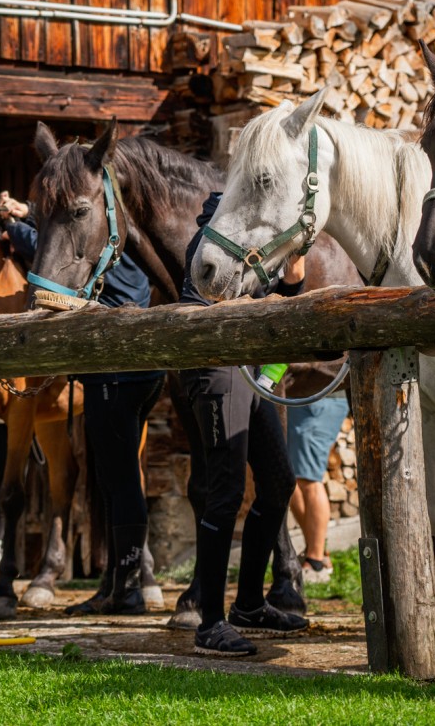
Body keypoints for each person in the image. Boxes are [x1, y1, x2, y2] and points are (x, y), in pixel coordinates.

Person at [0, 192, 165, 615]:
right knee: (119, 476)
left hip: (109, 369)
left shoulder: (96, 246)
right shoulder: (127, 233)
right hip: (142, 369)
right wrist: (28, 212)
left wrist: (17, 231)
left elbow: (54, 253)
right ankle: (125, 581)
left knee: (117, 478)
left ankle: (124, 590)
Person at [179, 193, 308, 656]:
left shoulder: (249, 251)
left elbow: (273, 302)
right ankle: (209, 622)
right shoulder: (208, 247)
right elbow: (211, 315)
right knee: (226, 490)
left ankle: (250, 604)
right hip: (214, 369)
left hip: (246, 372)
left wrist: (292, 283)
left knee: (277, 482)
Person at [285, 394, 349, 583]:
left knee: (309, 478)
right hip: (300, 399)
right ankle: (318, 551)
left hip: (319, 400)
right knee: (291, 480)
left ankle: (316, 562)